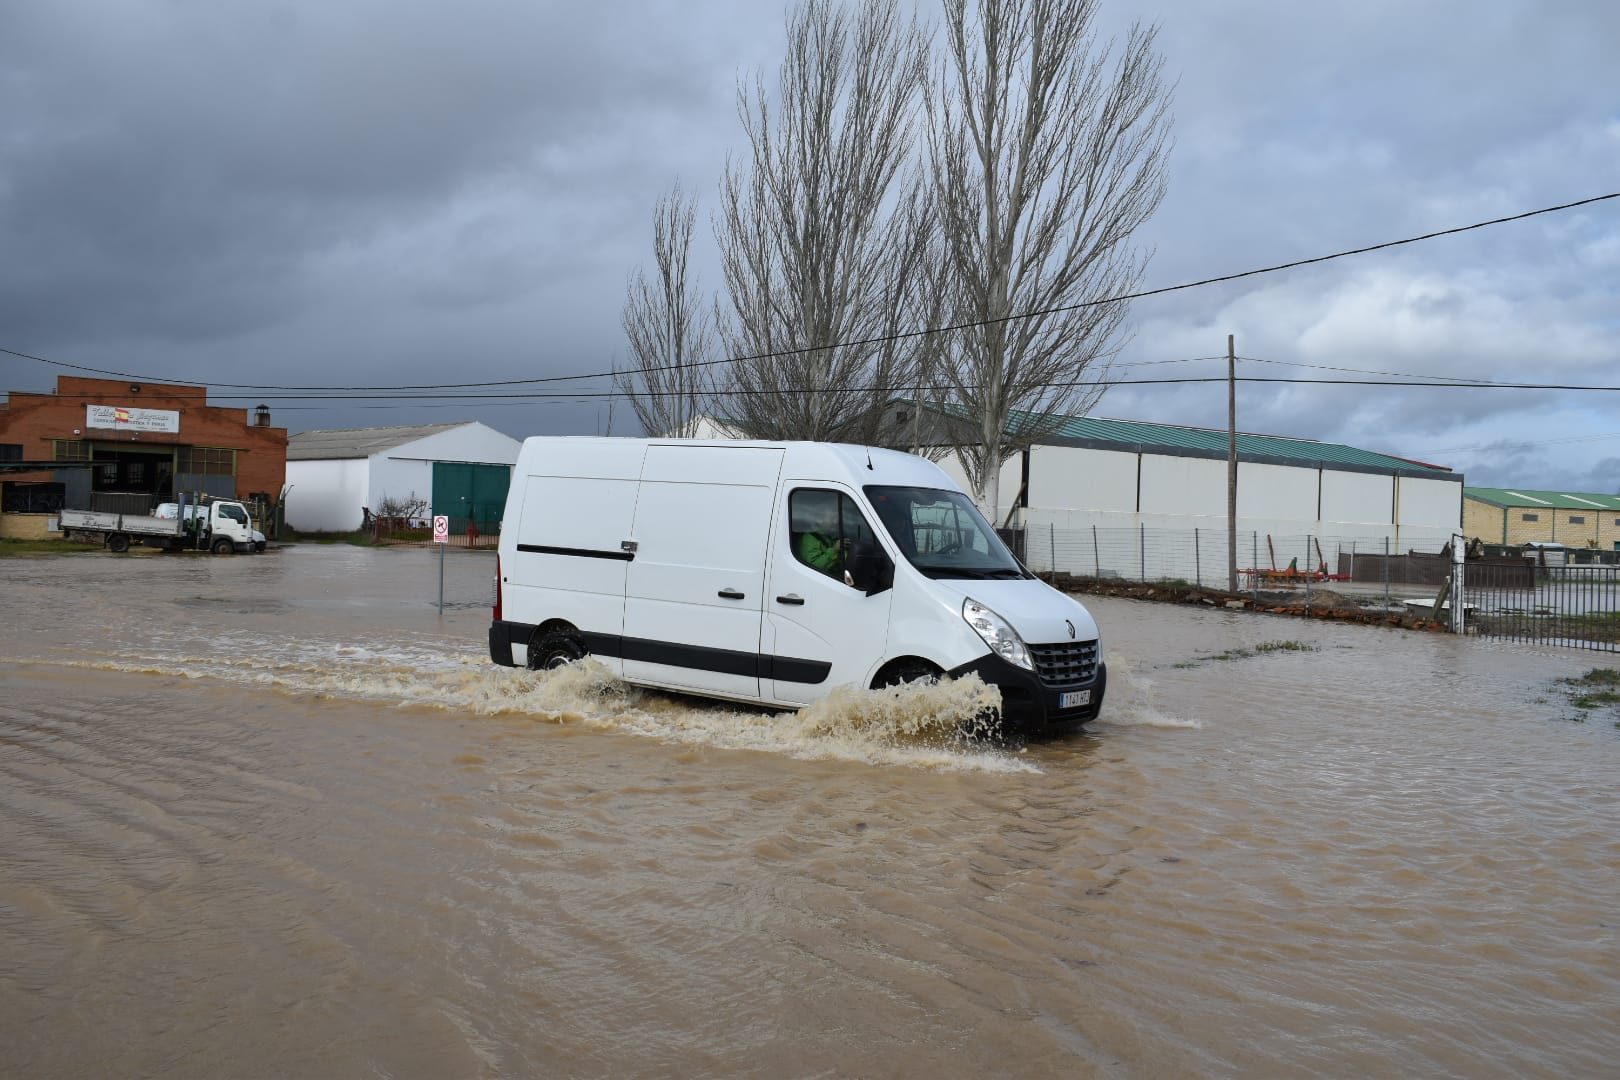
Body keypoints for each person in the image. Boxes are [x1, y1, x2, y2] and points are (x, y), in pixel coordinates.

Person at [796, 502, 847, 576]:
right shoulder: (809, 539)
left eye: (836, 518)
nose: (836, 522)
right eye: (832, 518)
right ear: (819, 519)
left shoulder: (830, 536)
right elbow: (813, 568)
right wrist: (835, 550)